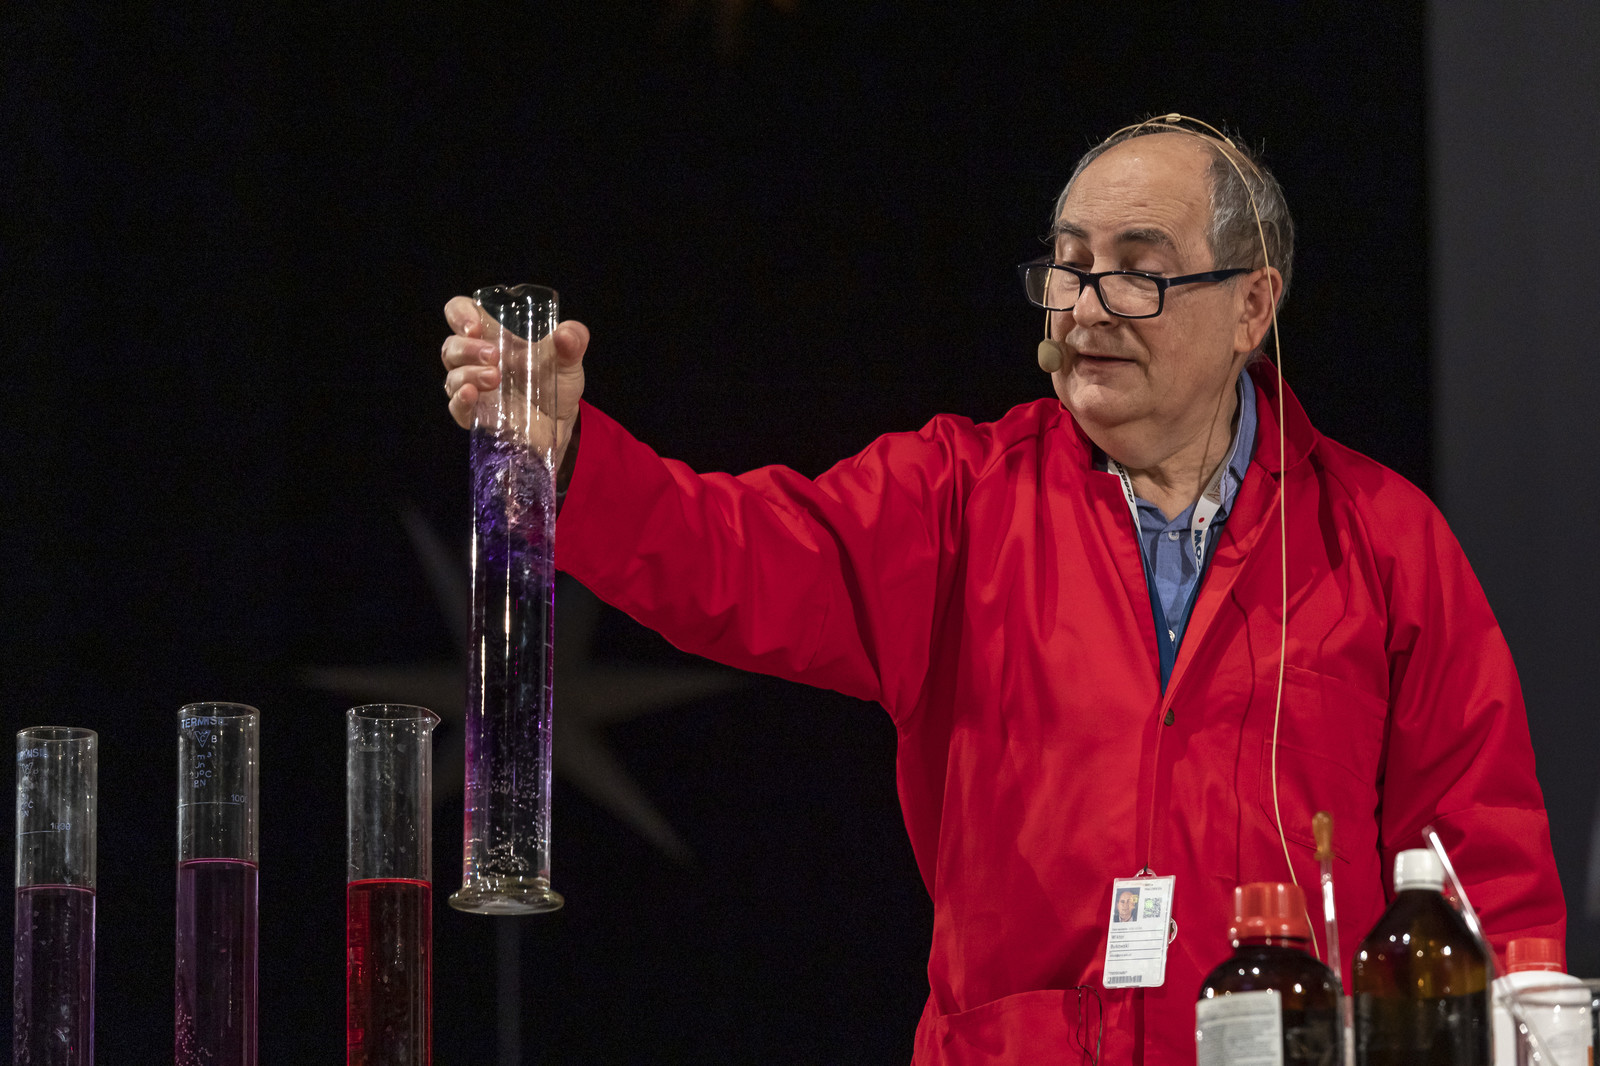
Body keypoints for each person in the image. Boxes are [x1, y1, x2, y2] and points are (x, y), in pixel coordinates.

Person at [439, 118, 1566, 1065]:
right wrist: (569, 456)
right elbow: (727, 554)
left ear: (1251, 305)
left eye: (1136, 268)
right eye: (1067, 267)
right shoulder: (958, 496)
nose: (1085, 307)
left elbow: (1483, 866)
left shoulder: (1380, 536)